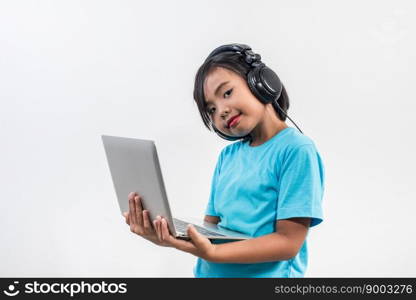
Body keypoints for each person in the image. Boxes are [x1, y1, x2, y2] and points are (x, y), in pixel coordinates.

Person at [123, 43, 325, 277]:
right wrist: (170, 237)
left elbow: (288, 242)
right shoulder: (227, 157)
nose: (221, 111)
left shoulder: (296, 150)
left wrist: (213, 254)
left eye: (227, 93)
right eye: (211, 109)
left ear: (261, 83)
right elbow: (211, 229)